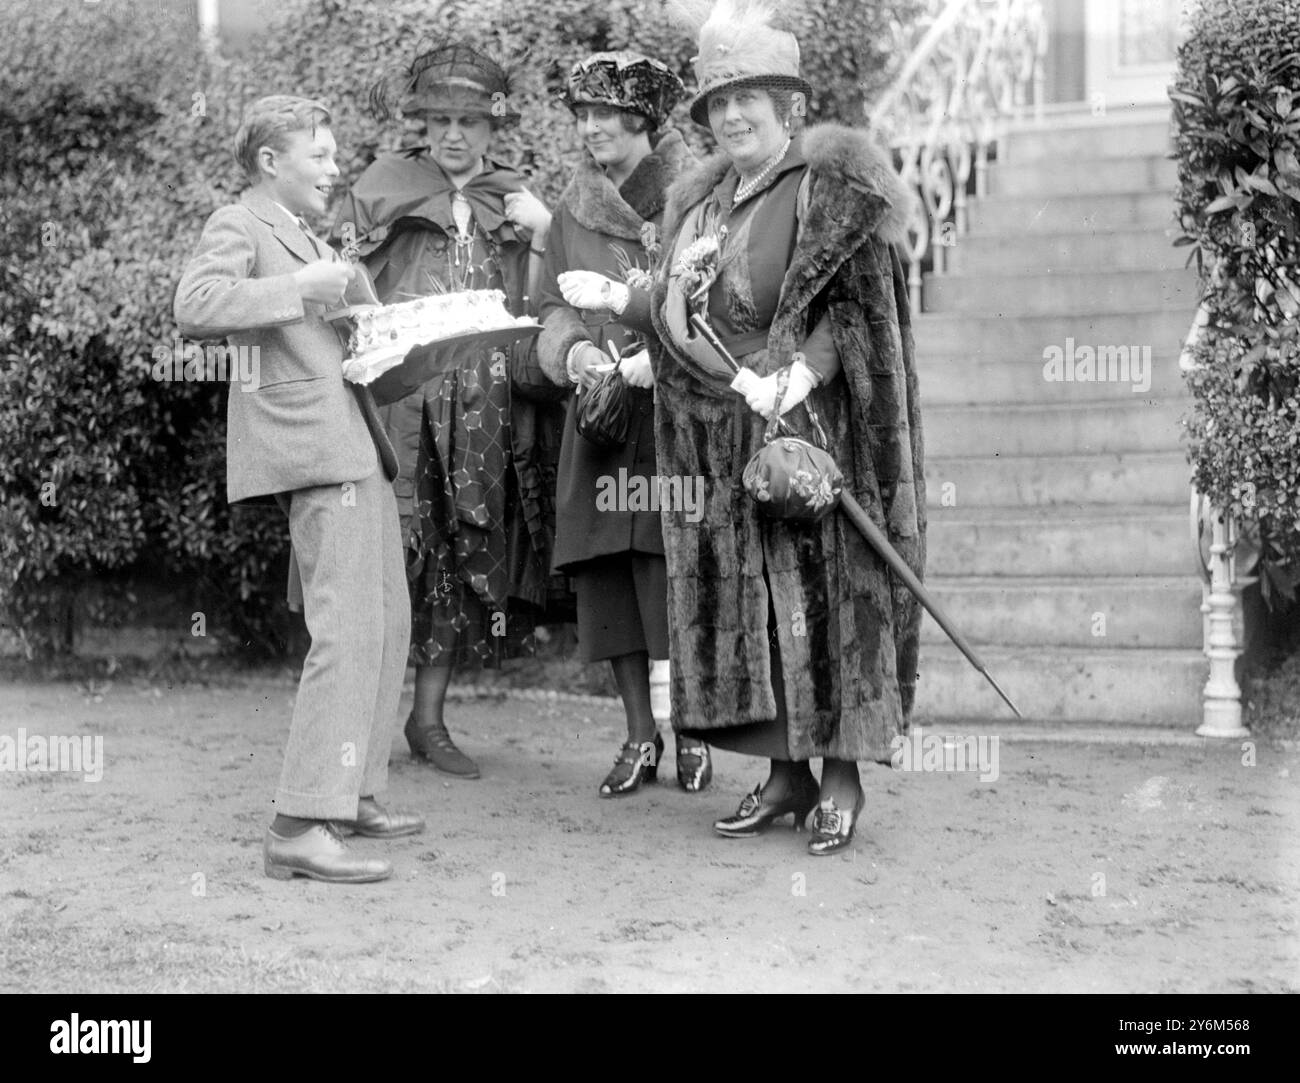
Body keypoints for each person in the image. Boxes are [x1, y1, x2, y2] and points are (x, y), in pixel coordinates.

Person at [577, 0, 926, 854]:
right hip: (712, 435)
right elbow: (677, 314)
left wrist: (800, 371)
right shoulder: (699, 206)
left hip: (806, 435)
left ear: (788, 108)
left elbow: (859, 310)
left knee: (824, 605)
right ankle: (784, 775)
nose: (733, 116)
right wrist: (631, 317)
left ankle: (839, 776)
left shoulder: (829, 191)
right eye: (719, 103)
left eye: (751, 101)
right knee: (752, 614)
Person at [175, 95, 423, 884]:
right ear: (269, 162)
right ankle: (297, 824)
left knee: (386, 620)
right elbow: (196, 305)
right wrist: (306, 285)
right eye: (318, 153)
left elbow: (345, 338)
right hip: (314, 451)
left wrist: (402, 329)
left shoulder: (311, 235)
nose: (334, 165)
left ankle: (353, 790)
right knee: (347, 629)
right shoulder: (238, 223)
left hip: (356, 444)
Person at [332, 44, 568, 780]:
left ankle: (428, 718)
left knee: (465, 552)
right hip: (408, 400)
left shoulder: (517, 197)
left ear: (494, 126)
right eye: (440, 119)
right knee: (395, 549)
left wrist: (545, 229)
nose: (454, 134)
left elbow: (558, 293)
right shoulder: (382, 188)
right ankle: (357, 724)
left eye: (469, 120)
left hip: (486, 406)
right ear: (421, 122)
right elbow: (347, 289)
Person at [537, 51, 711, 796]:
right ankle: (640, 735)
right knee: (610, 579)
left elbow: (721, 292)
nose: (590, 127)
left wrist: (658, 349)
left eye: (605, 112)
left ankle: (696, 733)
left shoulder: (700, 190)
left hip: (679, 415)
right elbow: (549, 306)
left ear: (643, 117)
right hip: (605, 418)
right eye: (581, 114)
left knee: (677, 575)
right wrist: (572, 353)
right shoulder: (572, 208)